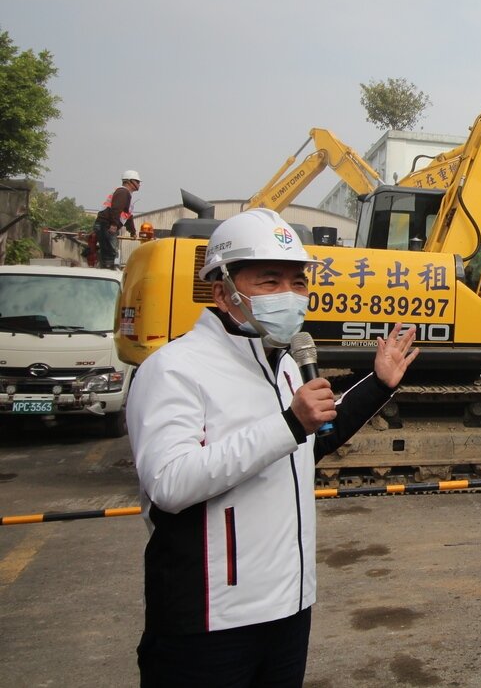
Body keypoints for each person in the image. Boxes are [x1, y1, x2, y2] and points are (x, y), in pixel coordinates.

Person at [126, 208, 419, 687]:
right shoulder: (175, 369)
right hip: (210, 619)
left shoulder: (284, 365)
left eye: (297, 282)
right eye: (269, 281)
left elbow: (307, 444)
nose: (289, 294)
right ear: (223, 292)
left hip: (288, 608)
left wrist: (378, 384)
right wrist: (289, 423)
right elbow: (169, 483)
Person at [94, 169, 140, 269]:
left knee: (109, 252)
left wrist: (132, 231)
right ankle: (106, 272)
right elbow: (116, 209)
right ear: (129, 181)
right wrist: (114, 224)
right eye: (137, 181)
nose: (139, 184)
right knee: (109, 253)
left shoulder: (126, 194)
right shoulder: (123, 192)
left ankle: (106, 268)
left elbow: (127, 216)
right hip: (106, 225)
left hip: (105, 225)